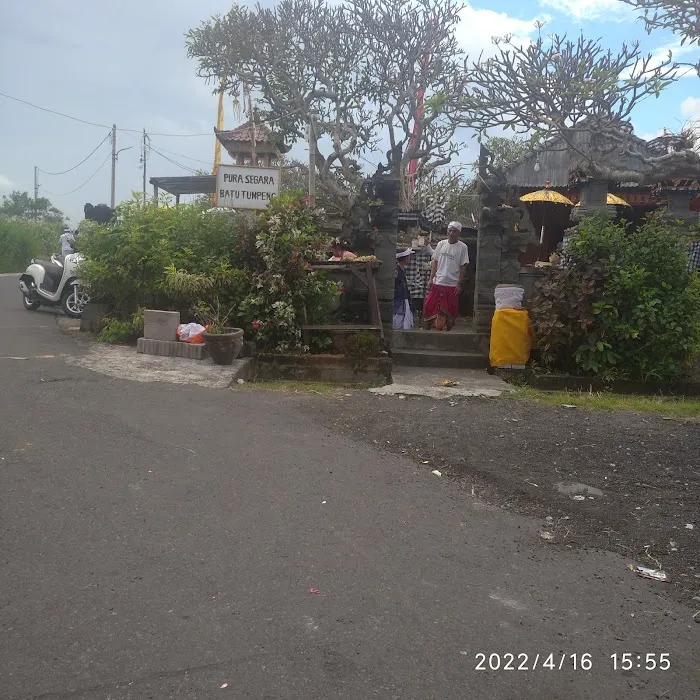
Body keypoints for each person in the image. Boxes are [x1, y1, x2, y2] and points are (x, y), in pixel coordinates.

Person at [423, 221, 469, 331]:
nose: (451, 233)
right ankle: (427, 331)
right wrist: (430, 279)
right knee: (429, 305)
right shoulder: (441, 244)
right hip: (438, 282)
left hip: (452, 284)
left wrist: (459, 284)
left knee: (450, 311)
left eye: (454, 231)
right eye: (450, 231)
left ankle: (447, 332)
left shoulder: (463, 247)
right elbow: (435, 262)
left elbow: (463, 266)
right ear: (447, 231)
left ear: (458, 233)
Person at [393, 248, 414, 330]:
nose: (410, 258)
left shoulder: (401, 269)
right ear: (404, 258)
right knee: (398, 320)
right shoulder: (397, 270)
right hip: (399, 298)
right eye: (408, 256)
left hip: (403, 297)